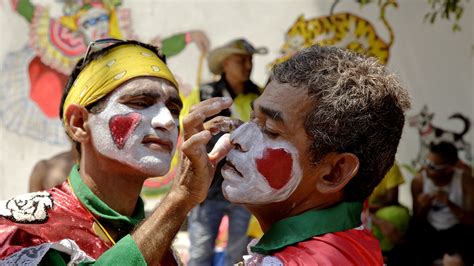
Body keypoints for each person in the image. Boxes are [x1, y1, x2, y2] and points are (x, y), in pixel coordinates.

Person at [0, 39, 232, 265]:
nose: (167, 121)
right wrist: (180, 199)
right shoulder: (20, 230)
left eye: (173, 108)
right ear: (79, 123)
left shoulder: (163, 242)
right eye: (140, 102)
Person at [189, 45, 411, 264]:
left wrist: (179, 198)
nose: (236, 137)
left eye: (271, 130)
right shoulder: (350, 243)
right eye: (252, 118)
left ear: (334, 173)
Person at [187, 38, 267, 266]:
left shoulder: (258, 96)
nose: (248, 65)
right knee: (200, 254)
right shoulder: (204, 94)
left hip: (244, 189)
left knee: (238, 255)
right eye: (241, 60)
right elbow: (187, 133)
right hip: (208, 188)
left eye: (250, 60)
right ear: (224, 64)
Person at [406, 141, 474, 265]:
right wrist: (423, 207)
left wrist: (450, 204)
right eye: (425, 162)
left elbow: (471, 221)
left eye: (432, 166)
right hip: (429, 229)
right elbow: (417, 218)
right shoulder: (419, 181)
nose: (425, 168)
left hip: (457, 230)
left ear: (448, 169)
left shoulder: (465, 181)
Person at [365, 162, 410, 263]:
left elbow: (392, 199)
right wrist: (379, 222)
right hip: (359, 220)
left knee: (397, 215)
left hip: (371, 216)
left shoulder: (389, 165)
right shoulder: (351, 168)